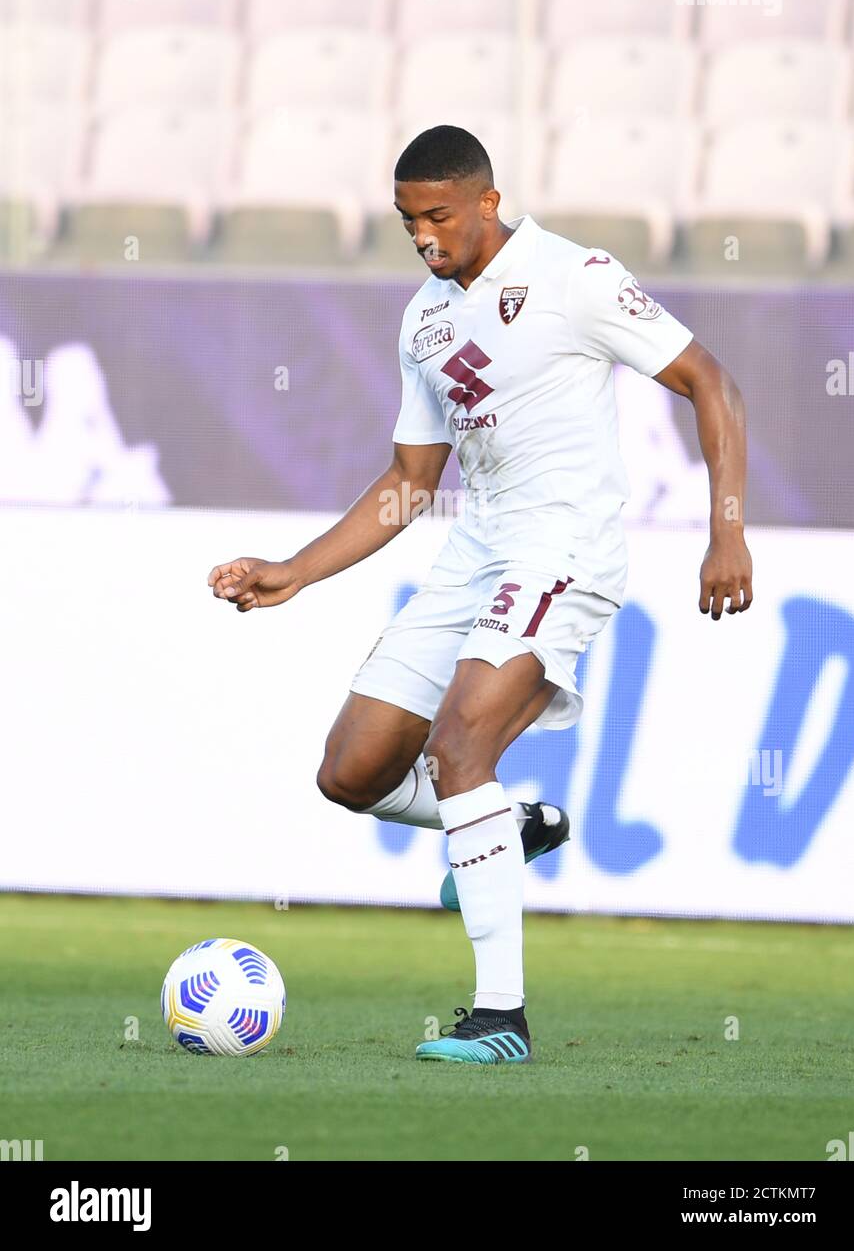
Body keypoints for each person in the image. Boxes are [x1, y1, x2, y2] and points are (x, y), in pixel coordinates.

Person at [208, 125, 753, 1065]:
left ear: (488, 202)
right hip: (477, 549)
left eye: (438, 215)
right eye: (407, 219)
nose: (423, 235)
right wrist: (295, 570)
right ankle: (507, 827)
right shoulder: (423, 319)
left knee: (461, 748)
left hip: (564, 546)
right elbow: (410, 481)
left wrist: (728, 530)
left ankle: (501, 1017)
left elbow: (710, 380)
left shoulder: (574, 275)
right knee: (352, 772)